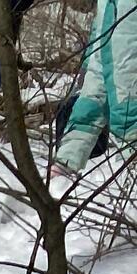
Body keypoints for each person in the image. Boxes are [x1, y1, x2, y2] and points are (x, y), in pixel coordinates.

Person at [53, 0, 137, 179]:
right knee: (86, 110)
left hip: (129, 62)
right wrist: (87, 60)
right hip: (101, 58)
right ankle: (63, 167)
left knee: (129, 118)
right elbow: (99, 24)